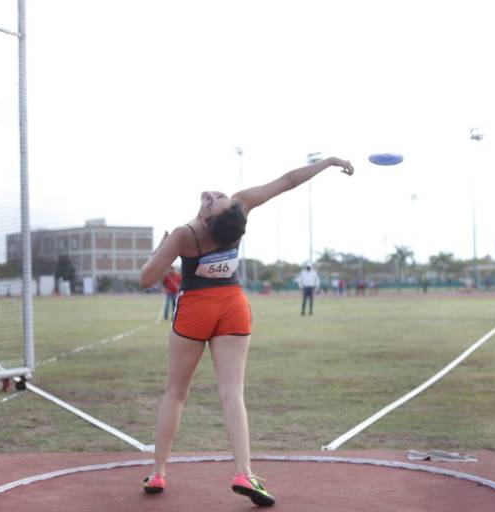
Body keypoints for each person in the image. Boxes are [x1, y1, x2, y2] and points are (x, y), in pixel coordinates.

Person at [137, 156, 354, 506]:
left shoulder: (185, 234)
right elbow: (287, 181)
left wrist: (159, 253)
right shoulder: (239, 209)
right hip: (232, 308)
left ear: (208, 218)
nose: (211, 195)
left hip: (196, 309)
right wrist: (327, 162)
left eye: (212, 202)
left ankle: (159, 472)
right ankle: (244, 472)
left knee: (176, 393)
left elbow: (146, 278)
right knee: (232, 394)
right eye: (215, 197)